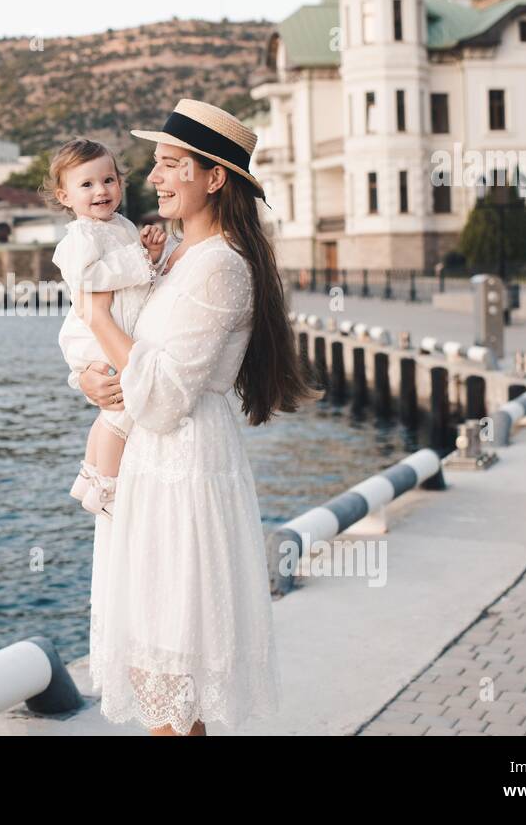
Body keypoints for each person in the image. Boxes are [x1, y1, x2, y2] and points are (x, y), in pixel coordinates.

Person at [75, 98, 322, 736]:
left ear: (214, 178)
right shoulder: (181, 255)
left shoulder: (219, 268)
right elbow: (138, 360)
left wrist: (98, 316)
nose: (152, 177)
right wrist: (90, 375)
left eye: (169, 164)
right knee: (161, 676)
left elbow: (159, 396)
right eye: (154, 163)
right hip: (155, 472)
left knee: (173, 675)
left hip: (183, 471)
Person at [43, 139, 166, 516]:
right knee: (120, 411)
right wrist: (139, 260)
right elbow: (88, 277)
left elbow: (138, 277)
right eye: (87, 185)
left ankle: (89, 474)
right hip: (94, 334)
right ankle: (107, 486)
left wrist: (150, 256)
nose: (101, 191)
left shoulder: (122, 225)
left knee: (109, 413)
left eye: (109, 180)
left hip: (117, 325)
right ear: (65, 196)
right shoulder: (79, 238)